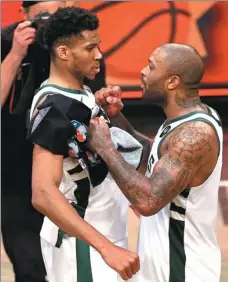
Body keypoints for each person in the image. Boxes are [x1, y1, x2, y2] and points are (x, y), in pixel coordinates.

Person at [88, 43, 223, 282]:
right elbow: (154, 158)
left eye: (151, 66)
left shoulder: (194, 133)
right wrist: (116, 118)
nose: (143, 71)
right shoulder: (185, 120)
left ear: (172, 82)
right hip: (167, 267)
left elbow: (148, 201)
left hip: (180, 270)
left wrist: (106, 148)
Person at [28, 7, 140, 282]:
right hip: (82, 245)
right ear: (64, 52)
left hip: (101, 235)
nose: (99, 54)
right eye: (90, 48)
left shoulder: (81, 92)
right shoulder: (54, 105)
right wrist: (104, 247)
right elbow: (42, 192)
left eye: (98, 45)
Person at [1, 1, 107, 282]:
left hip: (69, 180)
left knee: (64, 267)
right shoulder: (5, 41)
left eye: (56, 14)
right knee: (29, 268)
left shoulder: (79, 46)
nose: (49, 22)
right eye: (42, 16)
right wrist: (15, 53)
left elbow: (92, 106)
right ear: (23, 15)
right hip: (14, 175)